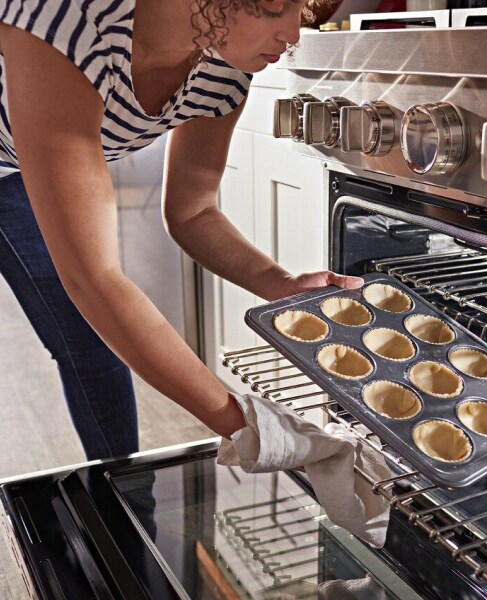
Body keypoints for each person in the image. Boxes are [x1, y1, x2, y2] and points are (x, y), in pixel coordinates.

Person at [0, 0, 358, 460]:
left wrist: (279, 284)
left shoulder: (224, 69)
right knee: (89, 314)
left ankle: (128, 499)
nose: (294, 35)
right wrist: (251, 428)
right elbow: (94, 278)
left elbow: (193, 212)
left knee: (92, 341)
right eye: (275, 8)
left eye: (302, 10)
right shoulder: (71, 21)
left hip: (16, 163)